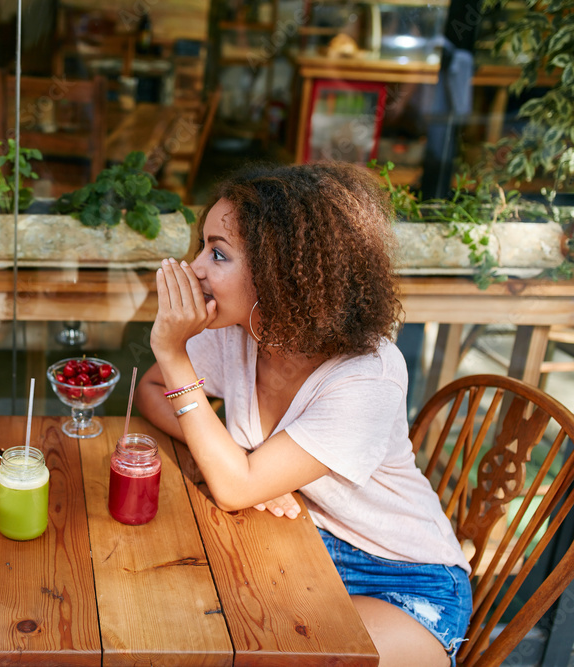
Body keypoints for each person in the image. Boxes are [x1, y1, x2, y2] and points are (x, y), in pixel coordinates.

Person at [136, 162, 471, 667]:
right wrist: (246, 460)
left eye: (218, 254)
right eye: (203, 246)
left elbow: (233, 487)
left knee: (269, 656)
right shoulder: (237, 331)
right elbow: (152, 389)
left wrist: (175, 352)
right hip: (299, 544)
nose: (197, 268)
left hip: (402, 579)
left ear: (281, 274)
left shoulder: (368, 376)